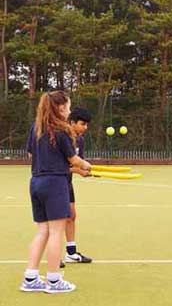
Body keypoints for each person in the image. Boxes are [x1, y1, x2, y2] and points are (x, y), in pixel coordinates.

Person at [21, 91, 92, 293]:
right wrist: (87, 165)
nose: (69, 111)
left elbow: (30, 153)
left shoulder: (37, 128)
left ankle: (30, 277)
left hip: (36, 182)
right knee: (55, 233)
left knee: (42, 231)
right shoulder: (61, 130)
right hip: (55, 184)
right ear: (60, 108)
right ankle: (54, 281)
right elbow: (74, 160)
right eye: (68, 107)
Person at [60, 107, 94, 267]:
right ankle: (53, 255)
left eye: (87, 125)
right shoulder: (62, 137)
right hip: (56, 181)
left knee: (71, 215)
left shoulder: (80, 140)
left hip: (67, 182)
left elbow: (78, 161)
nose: (85, 127)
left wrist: (82, 170)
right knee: (56, 219)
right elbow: (58, 166)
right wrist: (79, 170)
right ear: (72, 122)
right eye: (82, 124)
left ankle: (71, 253)